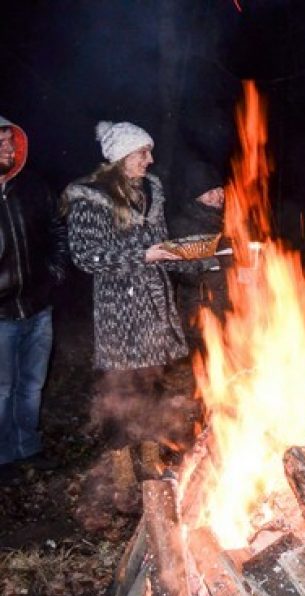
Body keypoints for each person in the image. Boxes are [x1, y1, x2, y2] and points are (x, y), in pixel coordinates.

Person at [62, 121, 217, 447]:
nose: (149, 159)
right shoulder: (90, 199)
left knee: (151, 379)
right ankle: (118, 462)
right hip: (120, 308)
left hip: (154, 303)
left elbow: (162, 247)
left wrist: (203, 257)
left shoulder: (150, 192)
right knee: (123, 385)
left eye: (149, 152)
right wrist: (143, 255)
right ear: (121, 156)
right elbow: (86, 256)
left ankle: (148, 451)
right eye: (142, 153)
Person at [0, 115, 69, 485]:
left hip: (38, 306)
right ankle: (3, 455)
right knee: (2, 389)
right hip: (1, 314)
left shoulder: (33, 186)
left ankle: (28, 446)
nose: (8, 149)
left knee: (31, 384)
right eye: (0, 143)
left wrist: (55, 271)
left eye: (10, 142)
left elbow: (57, 228)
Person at [167, 159, 229, 350]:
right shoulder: (182, 225)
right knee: (206, 366)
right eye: (210, 192)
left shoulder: (225, 221)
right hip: (200, 308)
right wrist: (216, 262)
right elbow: (179, 271)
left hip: (228, 306)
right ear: (197, 197)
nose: (218, 196)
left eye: (220, 190)